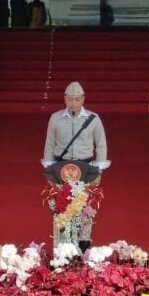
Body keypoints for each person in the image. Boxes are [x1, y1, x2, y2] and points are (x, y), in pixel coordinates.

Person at [42, 82, 109, 251]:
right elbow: (49, 144)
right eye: (70, 99)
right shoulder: (55, 118)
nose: (73, 103)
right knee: (61, 205)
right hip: (61, 168)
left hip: (85, 168)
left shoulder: (93, 119)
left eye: (77, 99)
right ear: (64, 99)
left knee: (85, 206)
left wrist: (99, 170)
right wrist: (49, 171)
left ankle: (84, 243)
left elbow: (101, 145)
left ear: (83, 99)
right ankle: (61, 246)